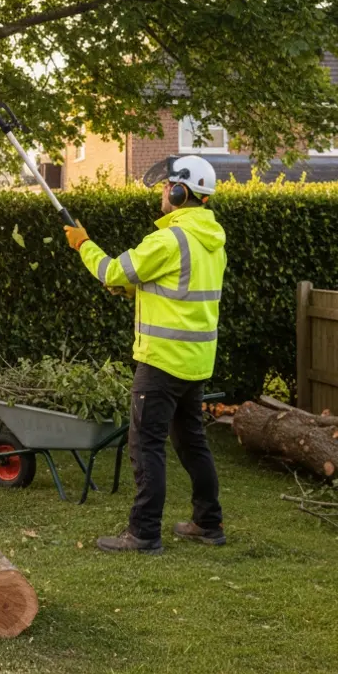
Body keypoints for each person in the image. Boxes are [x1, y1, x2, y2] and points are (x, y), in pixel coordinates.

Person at [63, 155, 227, 554]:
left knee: (145, 445)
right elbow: (180, 289)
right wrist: (136, 291)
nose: (161, 194)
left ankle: (143, 533)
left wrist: (83, 244)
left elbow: (111, 271)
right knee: (192, 444)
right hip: (195, 361)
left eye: (165, 187)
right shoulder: (213, 240)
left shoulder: (168, 240)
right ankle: (209, 524)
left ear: (179, 191)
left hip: (161, 362)